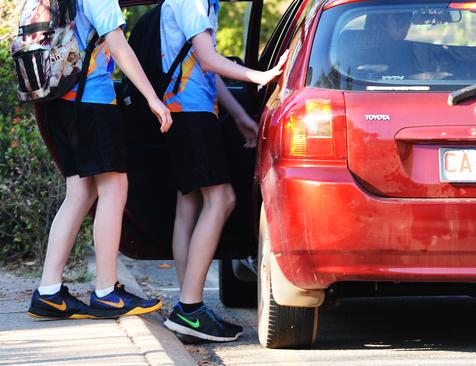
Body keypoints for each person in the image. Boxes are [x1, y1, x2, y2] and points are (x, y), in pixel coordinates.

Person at [27, 0, 172, 320]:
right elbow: (118, 46)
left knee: (80, 192)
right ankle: (107, 292)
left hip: (56, 100)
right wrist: (152, 98)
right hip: (91, 102)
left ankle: (48, 292)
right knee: (115, 187)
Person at [158, 0, 287, 342]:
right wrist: (260, 76)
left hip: (184, 111)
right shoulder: (194, 2)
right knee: (223, 199)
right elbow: (208, 59)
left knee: (189, 206)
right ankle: (189, 307)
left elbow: (205, 71)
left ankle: (189, 307)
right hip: (191, 113)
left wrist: (240, 116)